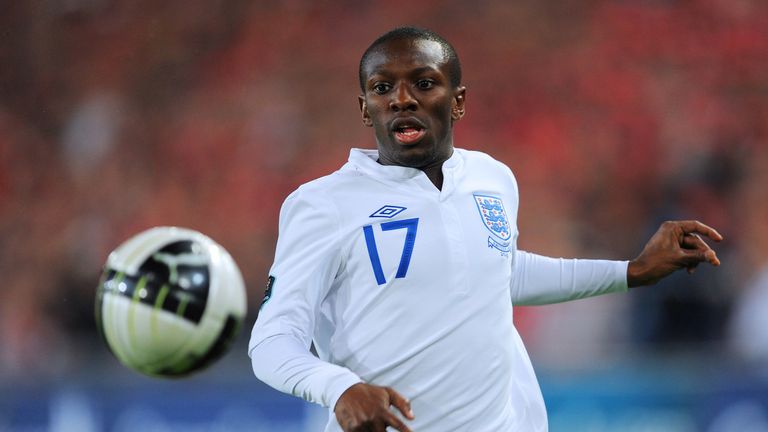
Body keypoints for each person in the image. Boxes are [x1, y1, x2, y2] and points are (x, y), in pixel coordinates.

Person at [248, 27, 722, 432]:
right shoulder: (322, 205)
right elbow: (272, 341)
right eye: (382, 87)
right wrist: (340, 388)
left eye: (423, 82)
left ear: (458, 102)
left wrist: (632, 271)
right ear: (365, 107)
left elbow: (499, 272)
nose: (401, 98)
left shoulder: (492, 178)